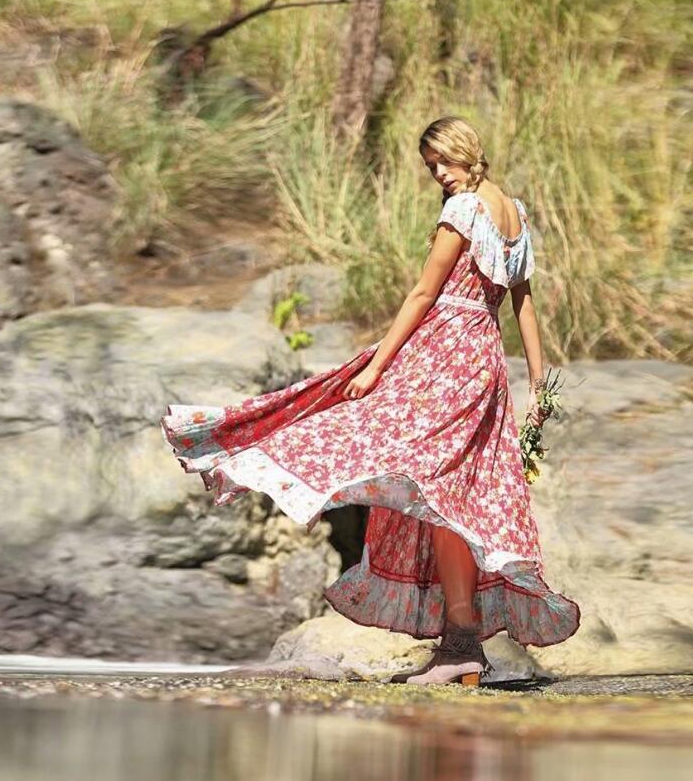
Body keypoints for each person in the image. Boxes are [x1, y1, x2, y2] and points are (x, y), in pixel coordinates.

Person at [160, 115, 581, 686]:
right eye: (432, 167)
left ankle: (461, 644)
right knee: (446, 497)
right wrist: (537, 381)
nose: (439, 175)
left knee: (371, 437)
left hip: (443, 355)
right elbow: (522, 303)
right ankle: (461, 645)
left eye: (443, 162)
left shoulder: (462, 212)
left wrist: (379, 364)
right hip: (482, 362)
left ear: (464, 152)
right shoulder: (515, 212)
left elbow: (424, 292)